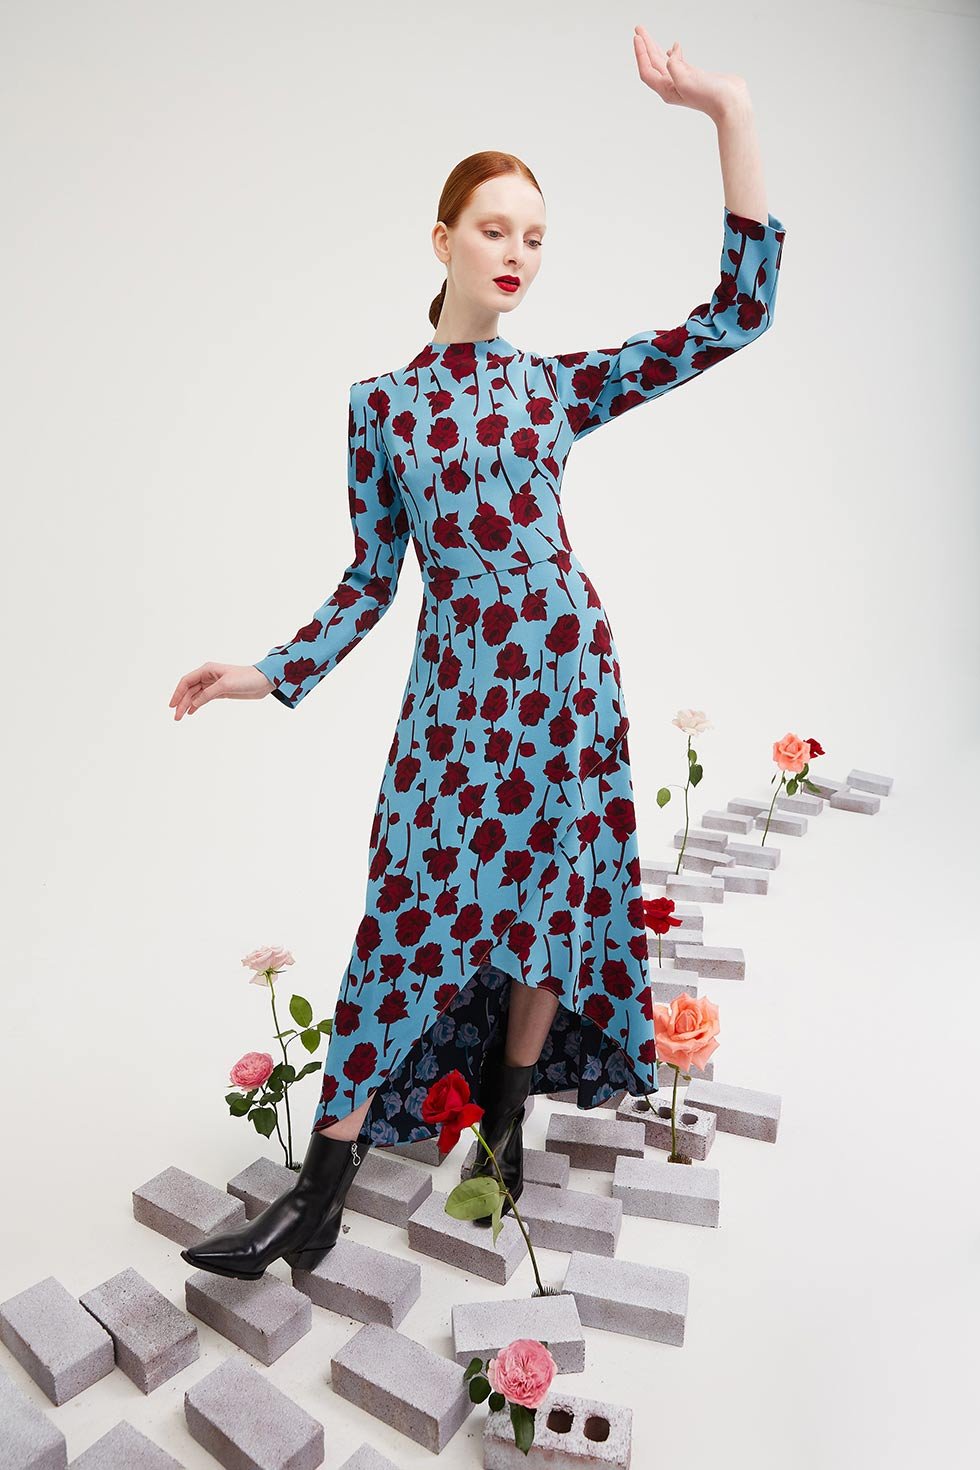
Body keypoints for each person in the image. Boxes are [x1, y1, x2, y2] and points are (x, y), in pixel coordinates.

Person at [169, 27, 786, 1280]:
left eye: (536, 237)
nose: (517, 254)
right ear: (441, 238)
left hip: (565, 683)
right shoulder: (381, 408)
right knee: (401, 919)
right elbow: (369, 580)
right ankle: (318, 1196)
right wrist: (267, 671)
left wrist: (724, 110)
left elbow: (736, 316)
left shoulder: (551, 386)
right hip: (455, 703)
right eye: (495, 229)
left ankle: (501, 1134)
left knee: (551, 910)